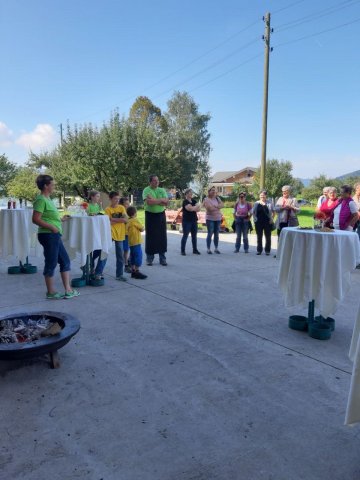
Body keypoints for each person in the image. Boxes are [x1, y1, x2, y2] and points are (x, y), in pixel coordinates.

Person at [32, 174, 80, 299]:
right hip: (48, 235)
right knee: (51, 263)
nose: (54, 186)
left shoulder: (48, 200)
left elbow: (48, 217)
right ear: (45, 186)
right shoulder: (41, 200)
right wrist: (52, 227)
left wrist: (61, 220)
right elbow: (35, 219)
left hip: (54, 234)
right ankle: (51, 292)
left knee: (65, 261)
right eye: (52, 184)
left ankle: (68, 290)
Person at [142, 175, 169, 266]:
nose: (157, 182)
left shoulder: (162, 190)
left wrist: (156, 200)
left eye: (158, 180)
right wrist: (161, 200)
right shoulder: (146, 190)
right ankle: (149, 259)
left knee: (162, 237)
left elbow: (166, 202)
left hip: (161, 215)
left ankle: (162, 259)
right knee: (150, 237)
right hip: (150, 216)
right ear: (150, 182)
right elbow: (149, 202)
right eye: (154, 181)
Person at [105, 191, 128, 281]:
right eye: (115, 199)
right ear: (110, 199)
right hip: (110, 233)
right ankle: (97, 272)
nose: (117, 200)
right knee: (103, 252)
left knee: (120, 256)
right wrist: (120, 219)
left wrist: (113, 219)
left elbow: (126, 220)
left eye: (118, 199)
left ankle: (119, 275)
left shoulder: (122, 208)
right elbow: (107, 222)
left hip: (120, 234)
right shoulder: (108, 209)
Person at [87, 190, 107, 280]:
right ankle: (90, 266)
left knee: (99, 249)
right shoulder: (88, 205)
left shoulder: (98, 206)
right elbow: (86, 215)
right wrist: (92, 214)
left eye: (99, 196)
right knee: (91, 250)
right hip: (91, 229)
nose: (98, 198)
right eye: (97, 196)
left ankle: (91, 265)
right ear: (92, 197)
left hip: (98, 229)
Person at [126, 206, 147, 279]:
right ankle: (137, 271)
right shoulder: (135, 220)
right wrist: (143, 227)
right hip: (136, 241)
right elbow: (141, 229)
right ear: (135, 213)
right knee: (138, 256)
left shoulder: (128, 221)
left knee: (132, 256)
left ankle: (133, 270)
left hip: (131, 242)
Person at [252, 190, 274, 256]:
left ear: (266, 196)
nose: (262, 196)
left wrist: (271, 219)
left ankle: (267, 251)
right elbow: (253, 212)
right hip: (258, 222)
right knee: (259, 237)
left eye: (263, 195)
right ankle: (259, 250)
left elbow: (273, 212)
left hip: (267, 222)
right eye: (261, 195)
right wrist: (254, 219)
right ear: (259, 196)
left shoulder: (270, 203)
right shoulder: (256, 203)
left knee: (268, 237)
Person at [203, 186, 224, 254]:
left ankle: (216, 248)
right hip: (210, 219)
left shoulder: (217, 198)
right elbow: (209, 209)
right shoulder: (206, 199)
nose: (214, 191)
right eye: (212, 190)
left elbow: (222, 205)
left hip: (218, 218)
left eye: (214, 190)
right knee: (210, 233)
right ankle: (208, 249)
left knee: (216, 234)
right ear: (209, 191)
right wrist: (218, 207)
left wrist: (215, 206)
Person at [181, 188, 201, 255]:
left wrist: (195, 207)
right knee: (185, 235)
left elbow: (198, 209)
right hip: (186, 221)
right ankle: (182, 251)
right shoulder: (185, 201)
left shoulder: (193, 200)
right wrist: (196, 206)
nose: (191, 193)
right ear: (186, 194)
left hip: (194, 220)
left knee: (194, 236)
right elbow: (190, 209)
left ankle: (195, 250)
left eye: (191, 192)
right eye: (190, 192)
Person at [120, 197, 131, 273]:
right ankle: (126, 265)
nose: (127, 205)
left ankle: (128, 262)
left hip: (130, 233)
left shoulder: (130, 211)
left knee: (131, 249)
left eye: (128, 203)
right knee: (125, 250)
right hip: (123, 234)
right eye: (126, 204)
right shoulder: (121, 212)